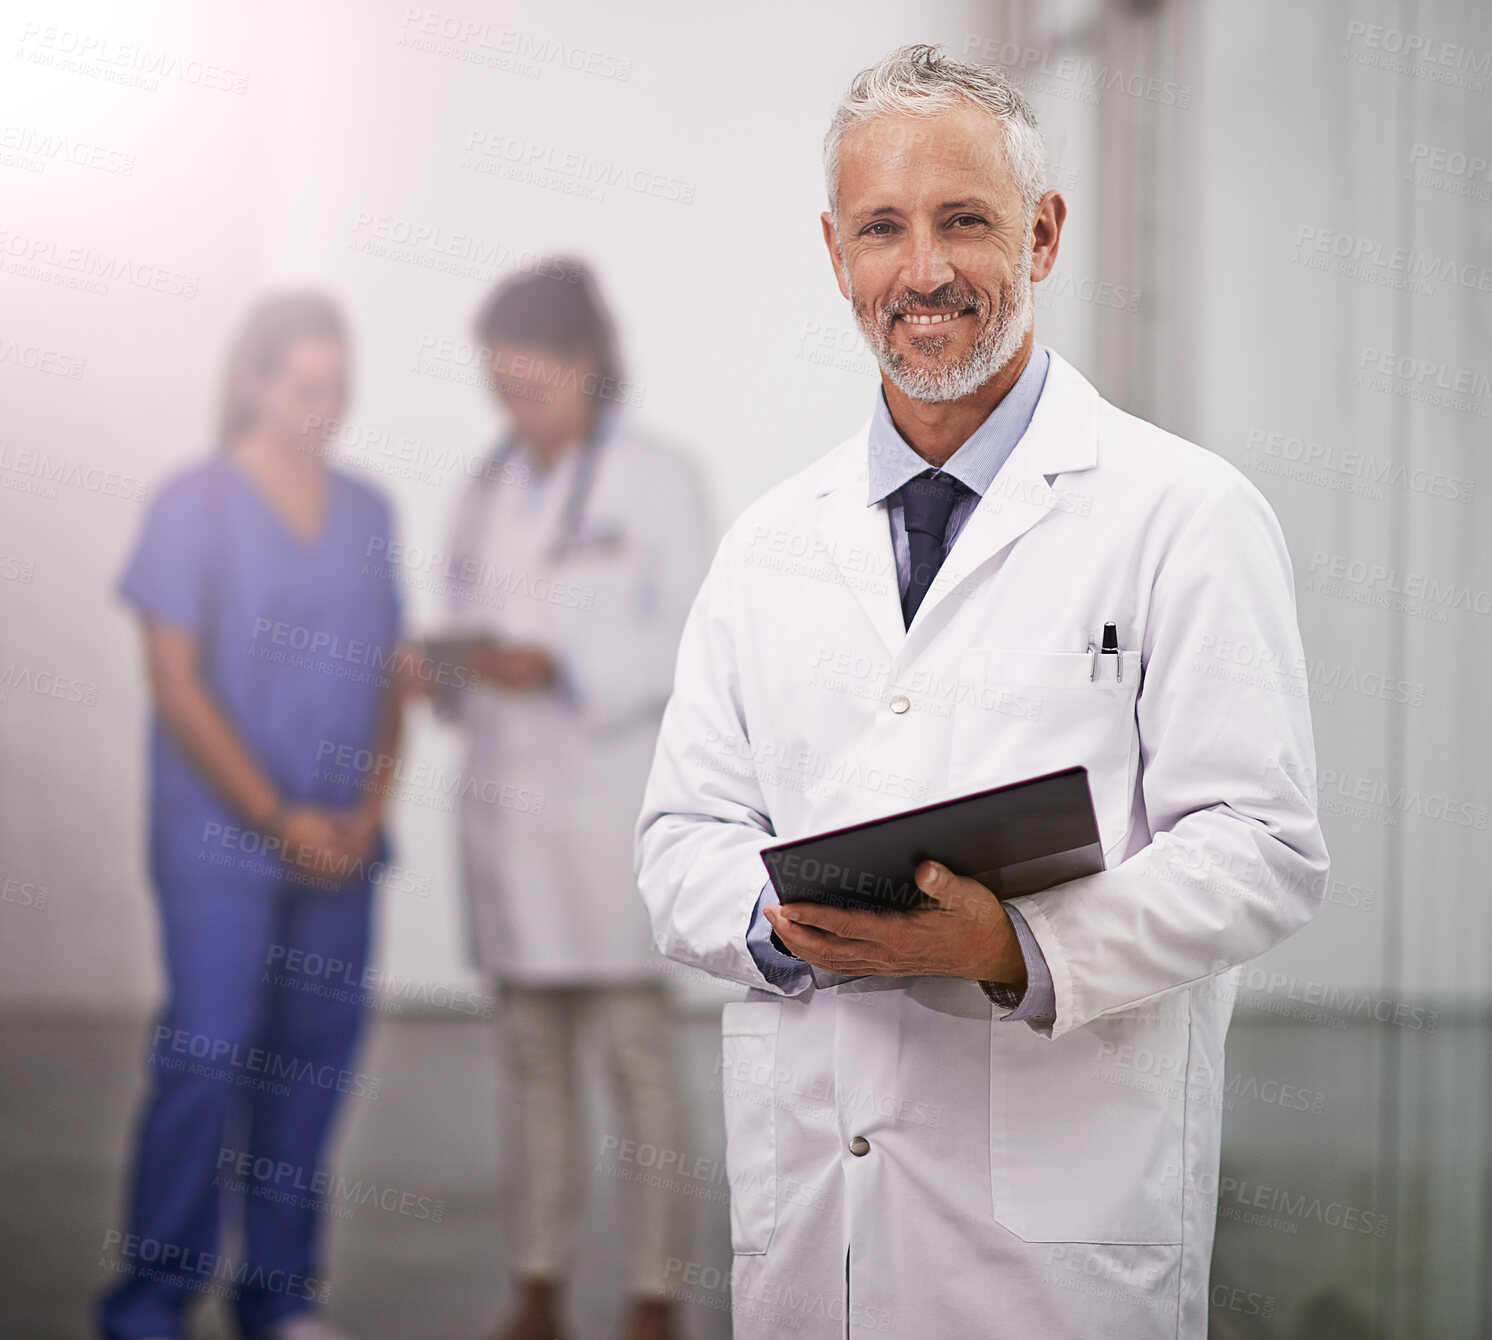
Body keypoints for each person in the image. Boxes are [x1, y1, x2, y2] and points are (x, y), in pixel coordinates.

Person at [636, 45, 1330, 1339]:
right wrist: (787, 925)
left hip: (1056, 1247)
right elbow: (680, 843)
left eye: (965, 220)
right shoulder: (768, 546)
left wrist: (1018, 946)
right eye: (884, 229)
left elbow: (1266, 848)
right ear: (836, 251)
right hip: (820, 1219)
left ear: (1044, 234)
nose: (925, 271)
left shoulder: (1185, 516)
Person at [99, 294, 403, 1340]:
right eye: (304, 388)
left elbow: (389, 673)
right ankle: (151, 1297)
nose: (325, 410)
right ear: (254, 383)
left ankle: (278, 1295)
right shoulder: (192, 504)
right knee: (208, 1048)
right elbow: (175, 682)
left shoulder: (367, 512)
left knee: (312, 1056)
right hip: (220, 835)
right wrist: (278, 814)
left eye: (339, 388)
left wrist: (364, 810)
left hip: (341, 843)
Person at [429, 264, 711, 1340]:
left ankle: (653, 1293)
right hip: (508, 820)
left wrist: (557, 662)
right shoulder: (483, 488)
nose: (512, 410)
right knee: (532, 1058)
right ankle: (536, 1283)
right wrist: (448, 670)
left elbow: (689, 641)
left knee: (639, 1061)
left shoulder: (657, 481)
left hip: (610, 815)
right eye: (498, 388)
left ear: (585, 366)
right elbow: (468, 624)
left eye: (530, 386)